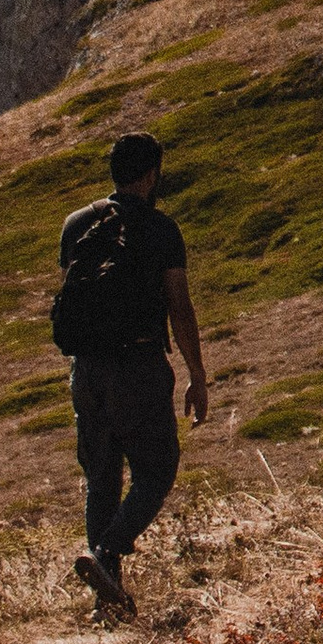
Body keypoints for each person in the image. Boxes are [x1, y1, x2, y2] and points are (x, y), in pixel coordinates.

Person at [56, 133, 207, 618]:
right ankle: (106, 554)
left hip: (86, 370)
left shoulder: (76, 224)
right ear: (150, 174)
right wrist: (197, 374)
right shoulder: (162, 229)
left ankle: (108, 601)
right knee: (156, 472)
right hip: (138, 365)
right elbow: (179, 307)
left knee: (102, 478)